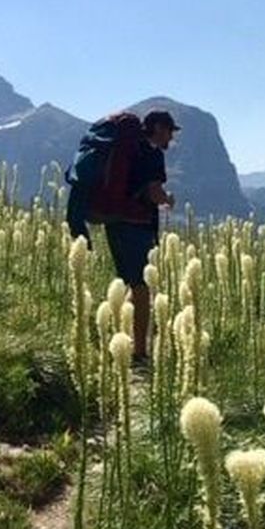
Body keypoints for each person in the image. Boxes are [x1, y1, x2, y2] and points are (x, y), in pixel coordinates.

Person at [106, 109, 178, 362]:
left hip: (114, 222)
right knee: (141, 288)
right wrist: (167, 199)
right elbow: (154, 192)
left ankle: (118, 339)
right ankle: (139, 352)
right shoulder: (151, 153)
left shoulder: (128, 149)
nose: (171, 138)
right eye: (170, 131)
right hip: (136, 225)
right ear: (158, 128)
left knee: (127, 282)